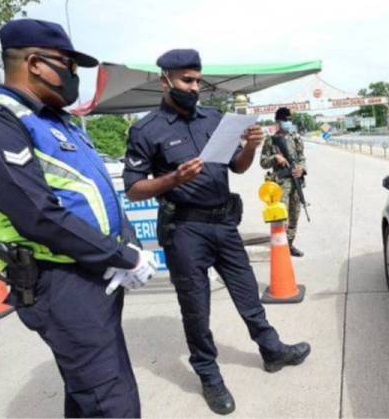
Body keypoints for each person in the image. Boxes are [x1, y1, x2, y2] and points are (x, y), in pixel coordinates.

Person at [0, 19, 157, 418]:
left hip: (95, 274)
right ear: (37, 64)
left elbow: (101, 194)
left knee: (87, 394)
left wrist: (127, 247)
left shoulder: (61, 122)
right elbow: (37, 214)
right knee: (114, 403)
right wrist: (121, 257)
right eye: (68, 65)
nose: (73, 76)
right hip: (59, 283)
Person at [123, 49, 311, 415]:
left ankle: (271, 349)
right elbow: (133, 187)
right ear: (165, 81)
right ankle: (209, 374)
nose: (194, 88)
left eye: (197, 80)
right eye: (185, 80)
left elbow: (238, 168)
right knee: (196, 307)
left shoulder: (214, 118)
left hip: (224, 223)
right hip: (185, 229)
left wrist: (252, 147)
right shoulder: (146, 129)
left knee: (247, 292)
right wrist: (173, 178)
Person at [260, 107, 307, 257]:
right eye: (285, 120)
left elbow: (302, 158)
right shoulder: (271, 140)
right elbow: (263, 162)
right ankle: (279, 245)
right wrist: (275, 158)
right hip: (280, 185)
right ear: (278, 121)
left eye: (290, 120)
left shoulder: (296, 138)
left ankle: (290, 244)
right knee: (280, 217)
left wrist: (301, 169)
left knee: (294, 215)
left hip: (296, 183)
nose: (288, 123)